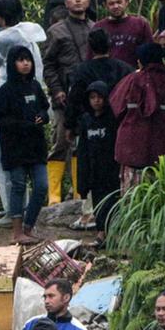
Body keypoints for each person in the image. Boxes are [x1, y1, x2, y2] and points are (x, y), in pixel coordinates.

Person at [0, 0, 45, 212]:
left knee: (5, 155)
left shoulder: (4, 37)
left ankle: (12, 208)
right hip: (32, 96)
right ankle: (22, 207)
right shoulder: (31, 31)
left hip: (7, 99)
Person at [110, 43, 165, 190]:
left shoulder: (131, 81)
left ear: (140, 61)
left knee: (132, 198)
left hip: (132, 153)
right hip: (164, 155)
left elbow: (115, 107)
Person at [0, 44, 50, 243]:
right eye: (20, 60)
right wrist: (22, 125)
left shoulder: (35, 86)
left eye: (28, 60)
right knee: (18, 186)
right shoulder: (5, 91)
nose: (25, 63)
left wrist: (42, 117)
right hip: (15, 148)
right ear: (12, 63)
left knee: (41, 186)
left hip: (36, 146)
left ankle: (28, 226)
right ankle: (17, 233)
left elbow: (45, 107)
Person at [42, 0, 93, 204]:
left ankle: (78, 192)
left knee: (82, 145)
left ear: (88, 2)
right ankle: (54, 196)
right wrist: (57, 91)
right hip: (64, 96)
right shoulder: (57, 31)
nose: (78, 0)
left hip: (89, 96)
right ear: (66, 2)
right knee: (61, 142)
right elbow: (49, 65)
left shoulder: (95, 28)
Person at [73, 80, 119, 231]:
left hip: (110, 170)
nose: (96, 101)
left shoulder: (112, 119)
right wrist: (82, 180)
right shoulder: (86, 120)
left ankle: (109, 232)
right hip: (93, 170)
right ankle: (101, 232)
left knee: (111, 202)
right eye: (92, 97)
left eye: (99, 97)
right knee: (98, 203)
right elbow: (82, 150)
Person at [93, 0, 152, 66]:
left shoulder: (140, 24)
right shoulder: (99, 27)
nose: (116, 6)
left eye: (119, 2)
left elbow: (150, 54)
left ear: (126, 2)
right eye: (111, 3)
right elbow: (91, 57)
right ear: (105, 5)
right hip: (106, 76)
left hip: (134, 75)